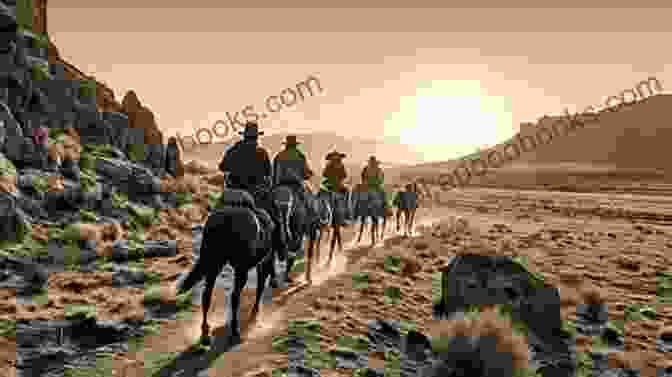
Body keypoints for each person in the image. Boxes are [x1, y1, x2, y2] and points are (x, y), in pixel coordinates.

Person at [272, 135, 314, 212]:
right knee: (310, 204)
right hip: (296, 187)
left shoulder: (278, 156)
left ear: (286, 145)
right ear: (295, 145)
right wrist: (308, 175)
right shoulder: (300, 156)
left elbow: (274, 175)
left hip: (280, 187)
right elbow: (305, 174)